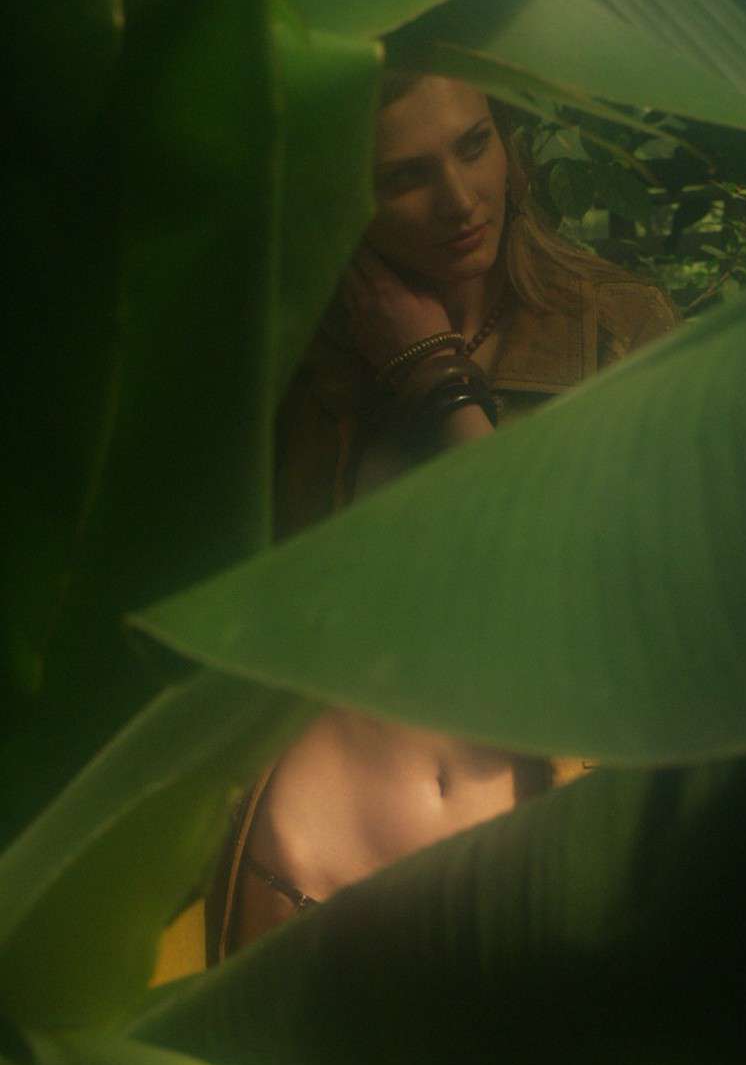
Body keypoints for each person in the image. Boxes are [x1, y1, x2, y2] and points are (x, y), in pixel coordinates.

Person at [153, 72, 680, 979]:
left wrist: (435, 378)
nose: (460, 200)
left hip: (522, 884)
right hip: (297, 861)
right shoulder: (296, 361)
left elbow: (595, 608)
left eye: (475, 145)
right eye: (403, 177)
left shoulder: (617, 330)